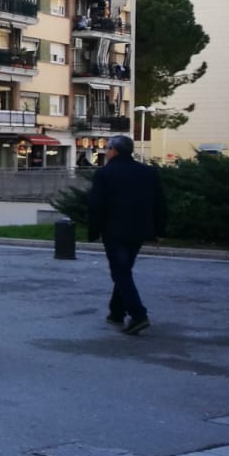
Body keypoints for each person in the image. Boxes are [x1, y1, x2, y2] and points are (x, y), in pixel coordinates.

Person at [87, 133, 166, 336]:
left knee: (121, 272)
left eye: (107, 149)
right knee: (124, 270)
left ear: (114, 150)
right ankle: (117, 312)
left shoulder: (104, 174)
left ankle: (139, 315)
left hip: (114, 232)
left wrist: (93, 231)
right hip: (140, 231)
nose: (106, 152)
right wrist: (159, 231)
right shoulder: (148, 172)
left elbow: (97, 206)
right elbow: (159, 204)